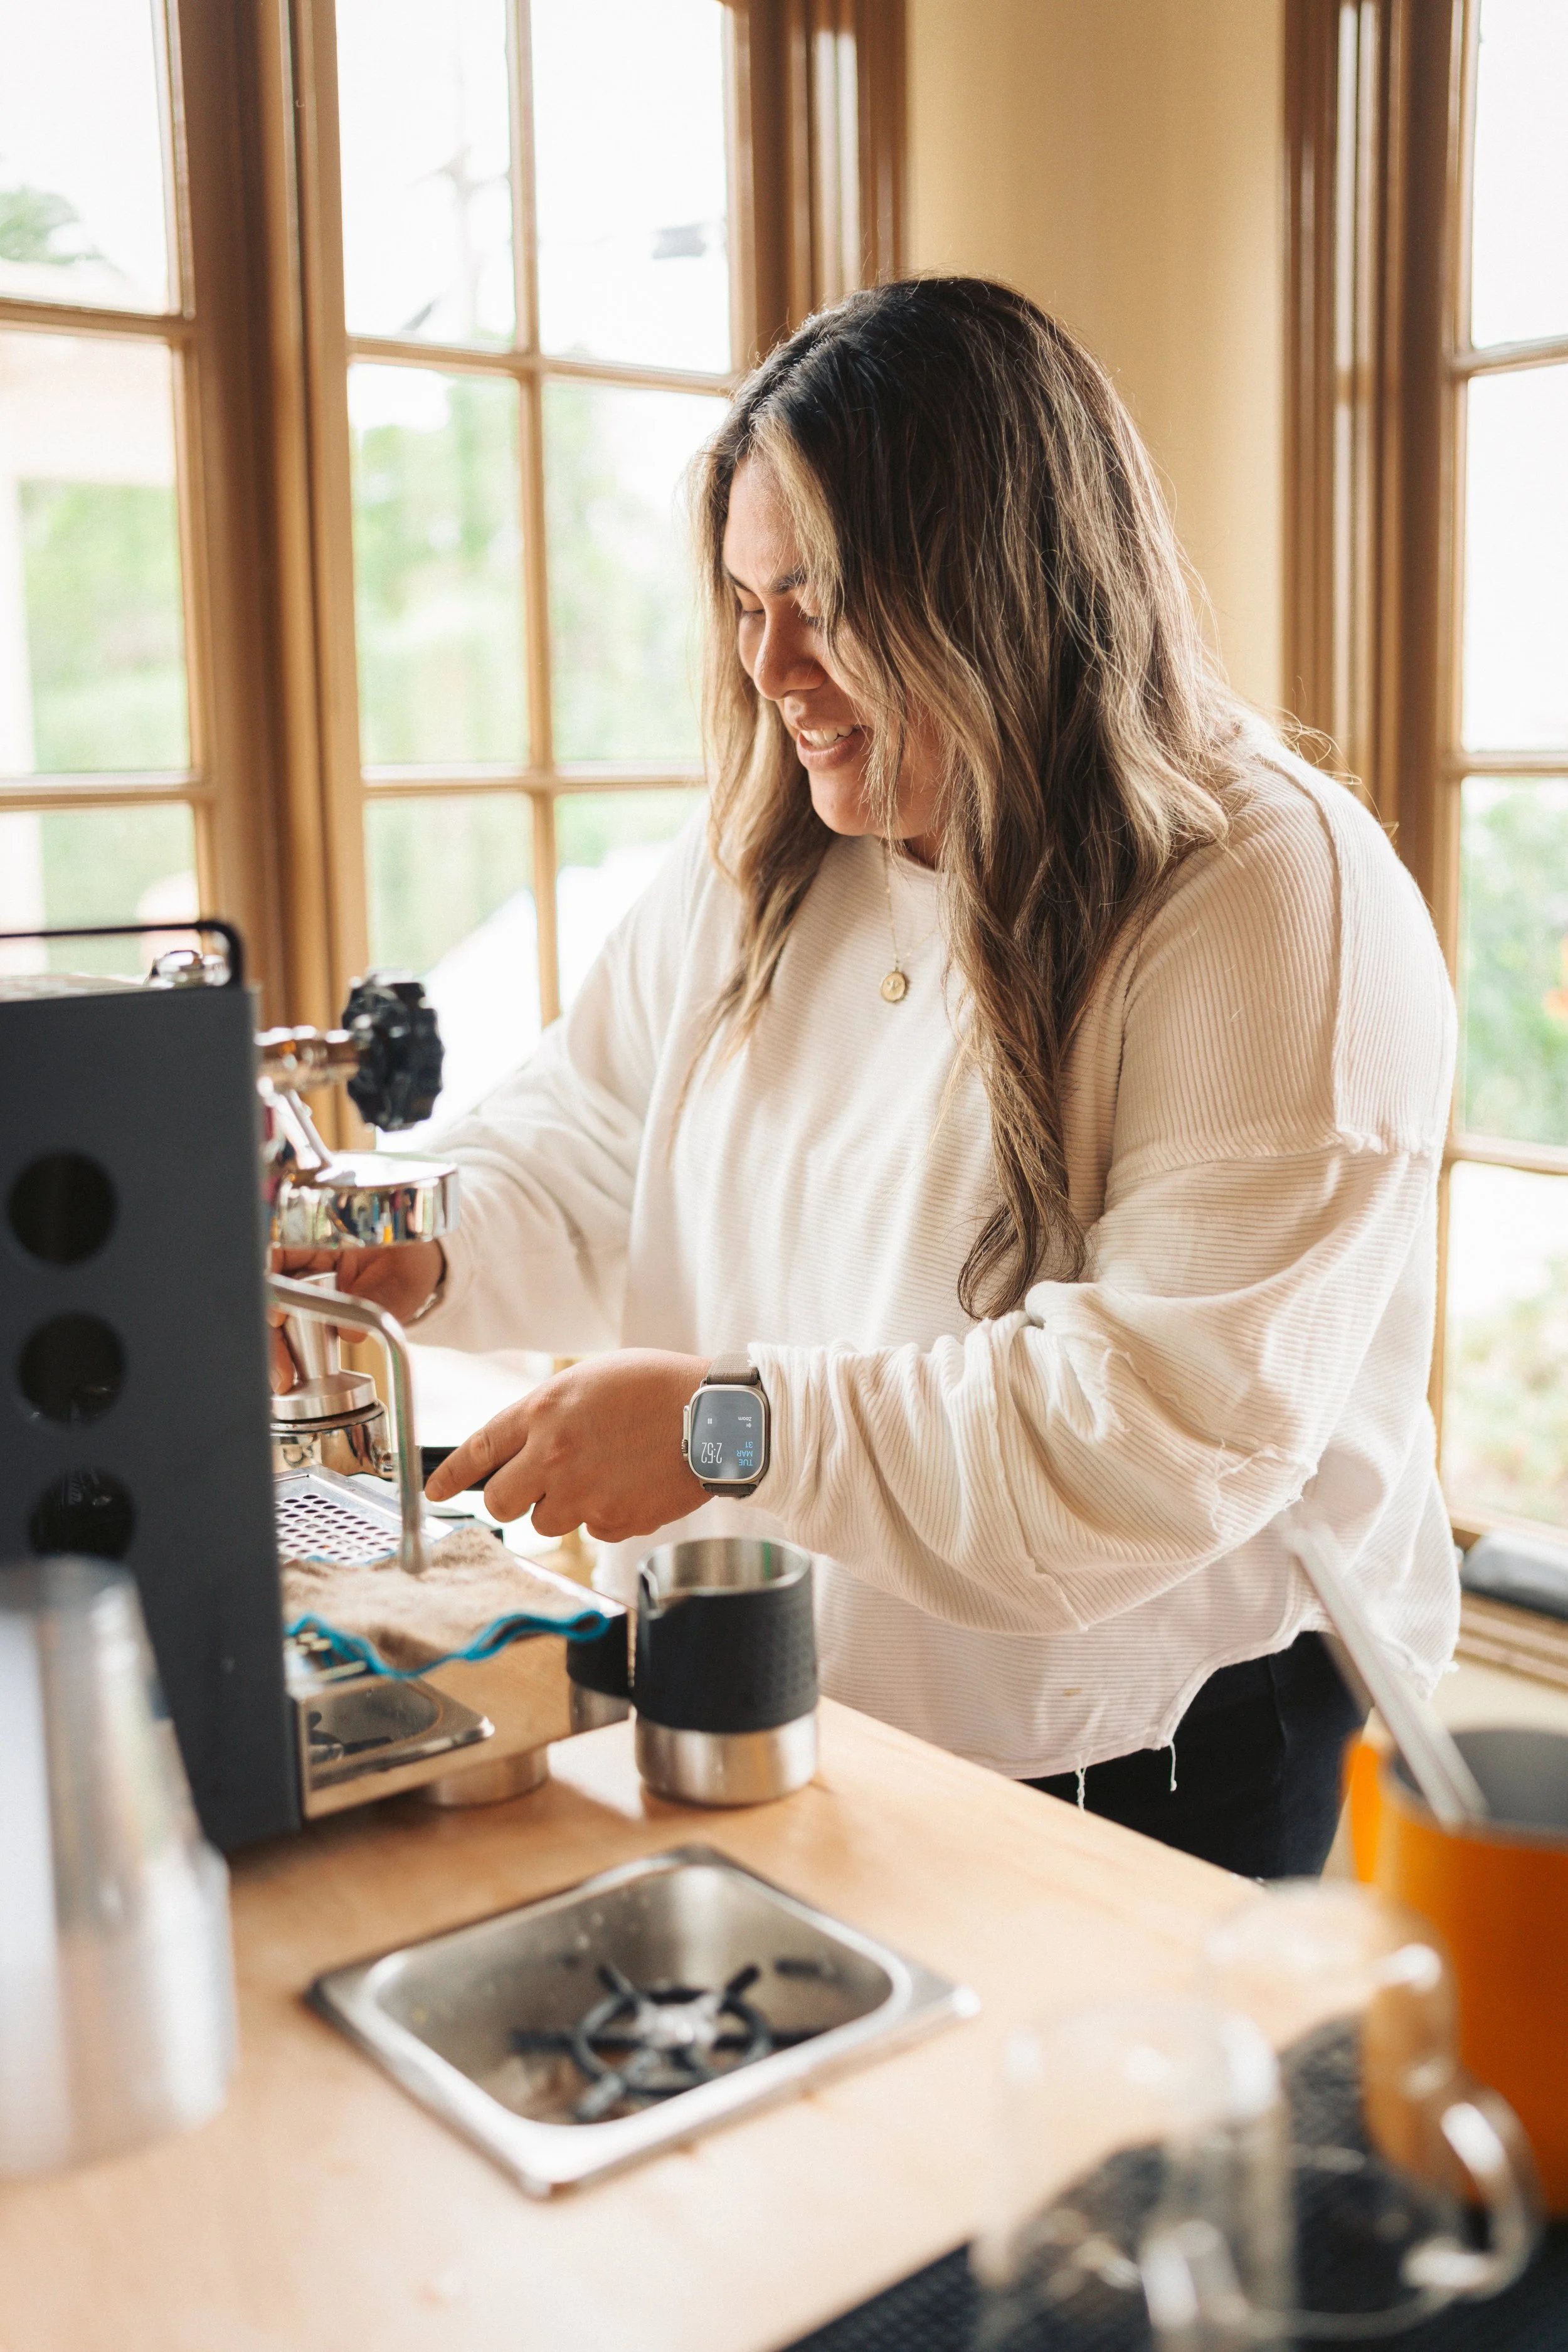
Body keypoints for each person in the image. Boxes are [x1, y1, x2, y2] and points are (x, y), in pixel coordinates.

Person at [289, 278, 1458, 1877]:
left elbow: (1150, 1436)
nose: (770, 664)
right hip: (798, 1700)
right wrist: (416, 1234)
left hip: (1149, 1754)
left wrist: (724, 1433)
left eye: (824, 600)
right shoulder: (767, 860)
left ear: (1000, 581)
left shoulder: (1266, 892)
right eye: (744, 600)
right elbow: (588, 1144)